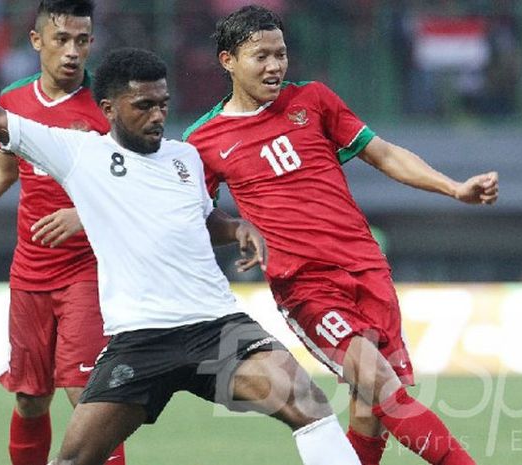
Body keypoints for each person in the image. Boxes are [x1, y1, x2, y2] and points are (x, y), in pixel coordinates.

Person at [0, 47, 364, 465]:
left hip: (215, 326)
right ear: (108, 107)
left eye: (162, 103)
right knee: (74, 458)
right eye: (143, 105)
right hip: (140, 340)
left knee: (310, 406)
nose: (157, 115)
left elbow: (202, 217)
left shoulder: (184, 158)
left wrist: (236, 228)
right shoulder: (79, 153)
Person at [184, 6, 499, 465]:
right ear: (227, 60)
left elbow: (385, 154)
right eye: (261, 56)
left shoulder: (312, 100)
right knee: (382, 386)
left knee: (369, 407)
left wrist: (454, 187)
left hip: (366, 267)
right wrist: (237, 232)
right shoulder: (203, 140)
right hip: (307, 285)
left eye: (281, 54)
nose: (275, 66)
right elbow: (194, 217)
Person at [0, 2, 127, 464]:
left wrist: (83, 217)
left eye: (82, 41)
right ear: (36, 40)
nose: (72, 52)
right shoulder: (14, 100)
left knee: (88, 399)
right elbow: (4, 170)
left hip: (88, 272)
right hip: (29, 273)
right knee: (29, 399)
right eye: (61, 39)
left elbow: (136, 191)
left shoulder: (109, 108)